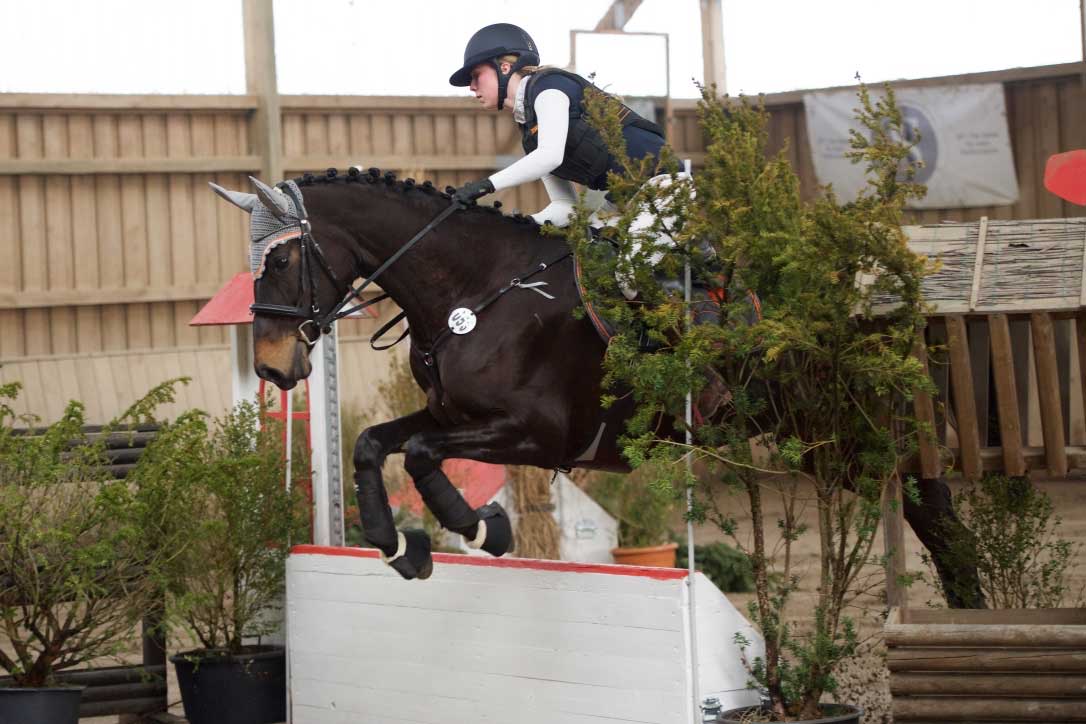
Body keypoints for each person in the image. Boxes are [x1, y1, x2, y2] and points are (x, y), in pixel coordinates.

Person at [448, 23, 668, 233]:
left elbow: (549, 157)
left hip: (663, 187)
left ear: (504, 68)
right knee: (584, 255)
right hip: (623, 201)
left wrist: (486, 185)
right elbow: (565, 207)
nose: (471, 87)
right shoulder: (530, 129)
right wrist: (511, 227)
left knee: (620, 270)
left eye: (476, 76)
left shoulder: (549, 88)